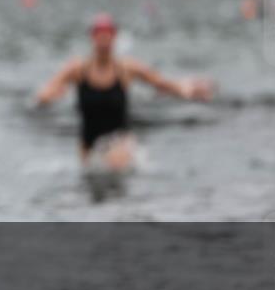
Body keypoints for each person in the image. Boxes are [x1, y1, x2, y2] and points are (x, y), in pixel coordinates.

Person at [35, 12, 214, 175]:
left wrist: (187, 90)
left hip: (119, 139)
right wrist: (49, 96)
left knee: (115, 168)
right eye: (100, 36)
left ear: (114, 38)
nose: (104, 42)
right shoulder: (78, 69)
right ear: (93, 38)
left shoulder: (127, 68)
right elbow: (46, 91)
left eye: (108, 36)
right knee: (90, 179)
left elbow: (161, 83)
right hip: (88, 143)